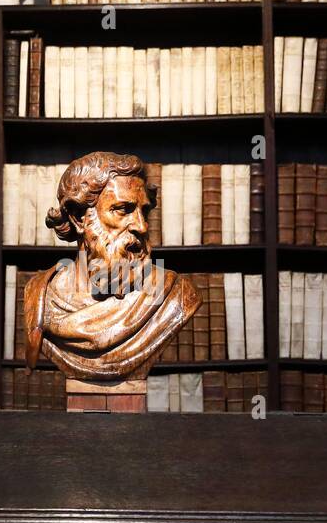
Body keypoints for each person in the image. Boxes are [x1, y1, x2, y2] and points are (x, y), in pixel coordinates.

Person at [24, 152, 199, 380]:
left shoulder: (177, 295)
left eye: (143, 211)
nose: (142, 226)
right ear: (79, 218)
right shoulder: (40, 297)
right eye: (123, 210)